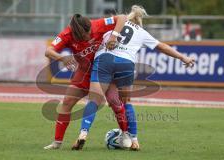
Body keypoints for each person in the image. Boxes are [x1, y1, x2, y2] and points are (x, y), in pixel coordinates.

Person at [73, 5, 195, 151]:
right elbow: (161, 46)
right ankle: (134, 140)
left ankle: (83, 133)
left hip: (105, 59)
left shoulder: (112, 24)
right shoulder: (141, 32)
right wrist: (183, 57)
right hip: (126, 63)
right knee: (127, 102)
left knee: (94, 99)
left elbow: (91, 34)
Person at [44, 13, 129, 150]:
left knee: (115, 103)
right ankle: (57, 143)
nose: (89, 37)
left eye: (89, 33)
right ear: (76, 34)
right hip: (84, 72)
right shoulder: (66, 34)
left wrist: (113, 36)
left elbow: (122, 17)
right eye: (84, 36)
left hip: (103, 71)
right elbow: (48, 51)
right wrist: (62, 58)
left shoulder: (98, 24)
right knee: (67, 102)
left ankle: (126, 135)